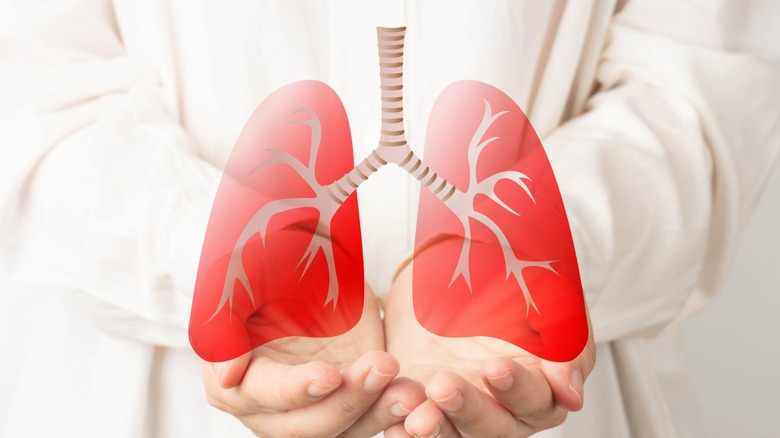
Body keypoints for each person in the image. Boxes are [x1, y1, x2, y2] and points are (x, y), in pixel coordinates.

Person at [1, 0, 778, 437]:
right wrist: (222, 264)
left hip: (542, 383)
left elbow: (708, 92)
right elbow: (26, 89)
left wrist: (526, 269)